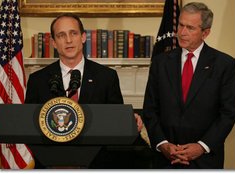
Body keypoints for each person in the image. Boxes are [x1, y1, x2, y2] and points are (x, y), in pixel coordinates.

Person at [25, 13, 147, 168]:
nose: (68, 40)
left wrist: (130, 119)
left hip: (97, 164)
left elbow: (115, 121)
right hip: (52, 164)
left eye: (73, 33)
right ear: (54, 43)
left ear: (83, 37)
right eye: (61, 35)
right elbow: (31, 126)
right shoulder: (38, 80)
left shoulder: (106, 77)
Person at [143, 2, 235, 169]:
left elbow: (227, 114)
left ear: (205, 33)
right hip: (166, 159)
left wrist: (201, 146)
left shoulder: (225, 65)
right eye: (180, 25)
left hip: (205, 161)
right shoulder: (160, 62)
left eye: (190, 28)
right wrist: (163, 144)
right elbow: (150, 109)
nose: (182, 32)